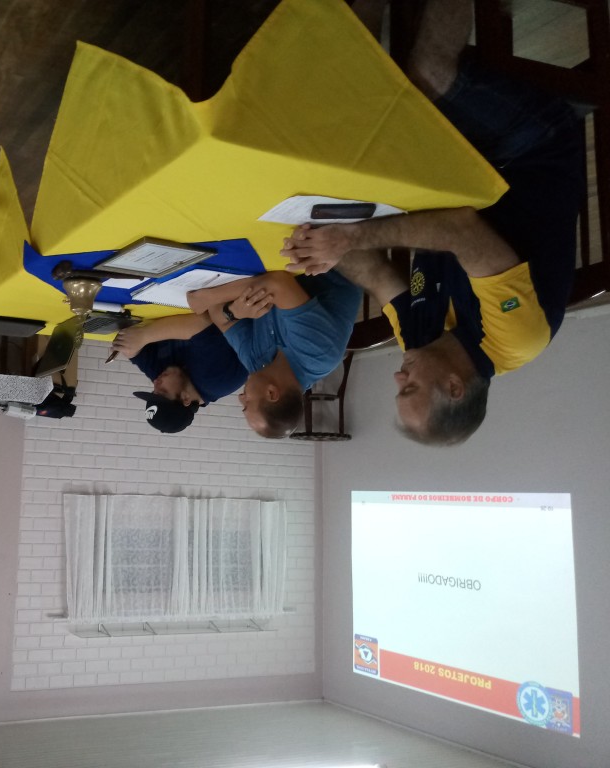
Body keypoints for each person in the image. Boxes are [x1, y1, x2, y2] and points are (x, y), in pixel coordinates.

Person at [282, 0, 585, 445]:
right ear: (454, 386)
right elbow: (460, 229)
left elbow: (376, 276)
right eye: (409, 388)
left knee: (349, 123)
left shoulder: (418, 344)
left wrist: (316, 245)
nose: (397, 377)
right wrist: (349, 238)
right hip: (527, 152)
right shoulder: (516, 338)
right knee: (426, 75)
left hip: (452, 181)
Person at [186, 269, 362, 438]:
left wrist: (233, 312)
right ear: (272, 393)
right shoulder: (317, 355)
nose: (241, 397)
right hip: (331, 263)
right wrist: (209, 297)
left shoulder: (258, 367)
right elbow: (278, 282)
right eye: (247, 404)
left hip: (282, 266)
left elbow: (217, 315)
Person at [111, 313, 248, 433]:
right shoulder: (217, 381)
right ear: (186, 398)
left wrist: (127, 345)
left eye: (154, 392)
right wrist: (144, 335)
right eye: (162, 392)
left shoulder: (167, 378)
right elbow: (202, 321)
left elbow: (133, 352)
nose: (156, 383)